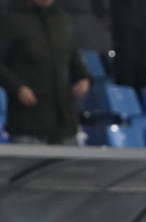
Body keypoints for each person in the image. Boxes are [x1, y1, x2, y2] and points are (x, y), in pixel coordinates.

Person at [0, 0, 90, 145]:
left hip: (64, 123)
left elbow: (75, 61)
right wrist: (17, 88)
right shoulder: (11, 21)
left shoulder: (62, 20)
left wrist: (84, 79)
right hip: (28, 122)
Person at [91, 0, 146, 89]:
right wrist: (102, 13)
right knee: (125, 74)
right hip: (123, 25)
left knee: (144, 73)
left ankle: (142, 98)